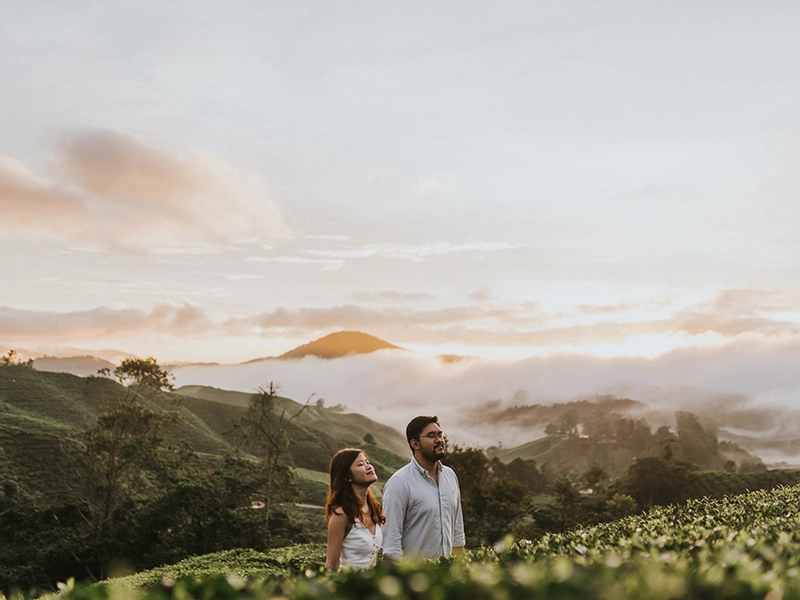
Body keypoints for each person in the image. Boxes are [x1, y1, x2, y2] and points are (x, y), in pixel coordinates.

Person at [381, 415, 465, 561]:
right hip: (416, 579)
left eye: (440, 434)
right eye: (431, 436)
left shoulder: (450, 476)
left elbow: (457, 532)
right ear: (415, 444)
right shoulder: (399, 483)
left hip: (447, 576)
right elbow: (391, 544)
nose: (439, 440)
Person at [325, 448, 385, 570]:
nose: (369, 466)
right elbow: (331, 566)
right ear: (347, 477)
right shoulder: (341, 515)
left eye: (367, 462)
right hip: (348, 585)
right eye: (360, 464)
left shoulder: (374, 509)